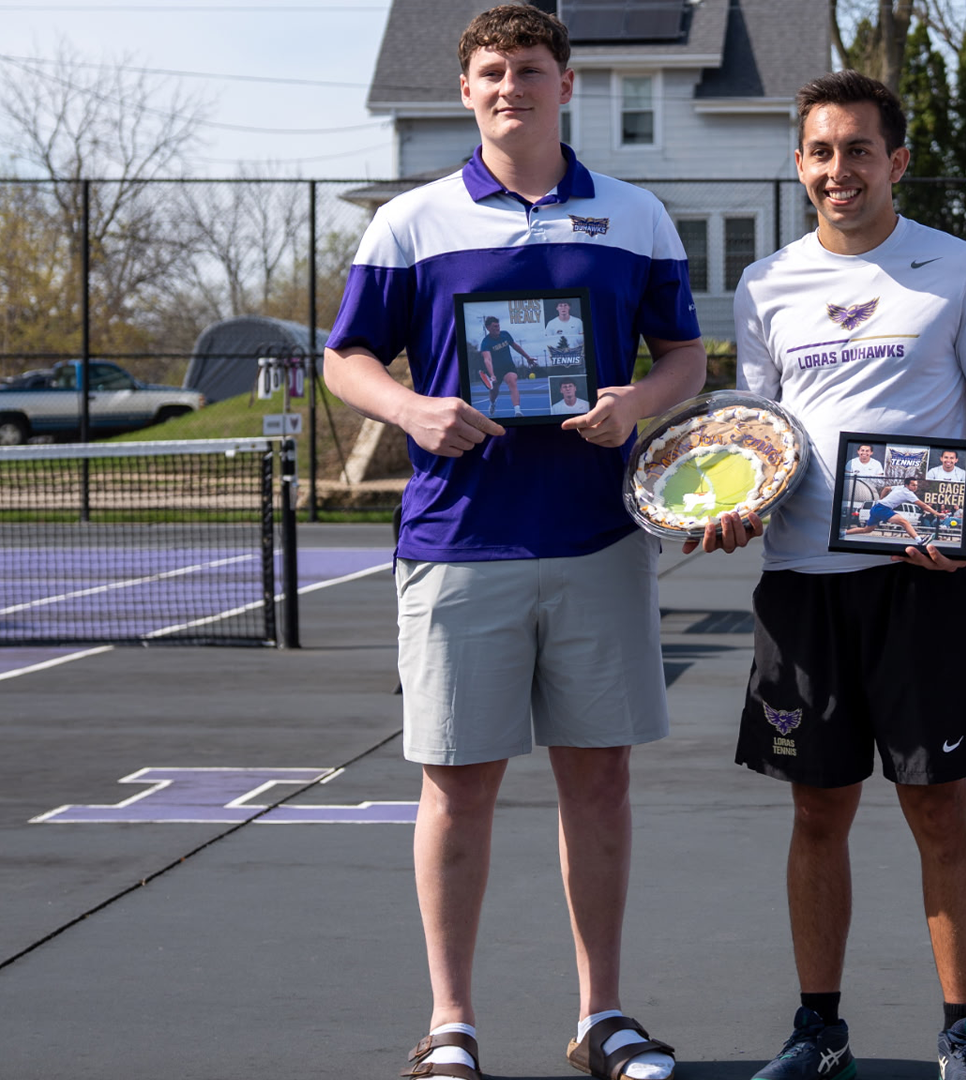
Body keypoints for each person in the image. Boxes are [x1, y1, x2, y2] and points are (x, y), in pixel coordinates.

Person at [319, 8, 707, 1080]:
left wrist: (639, 401)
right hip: (458, 542)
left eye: (529, 70)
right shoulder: (410, 221)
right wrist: (411, 411)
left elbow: (686, 355)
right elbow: (344, 356)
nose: (510, 88)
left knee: (600, 783)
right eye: (490, 72)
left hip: (597, 537)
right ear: (464, 91)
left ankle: (605, 1018)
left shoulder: (635, 216)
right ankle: (451, 1023)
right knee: (458, 787)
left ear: (567, 84)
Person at [686, 70, 966, 1080]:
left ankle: (963, 1033)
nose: (841, 169)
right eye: (822, 152)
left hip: (918, 583)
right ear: (801, 166)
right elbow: (753, 436)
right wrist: (733, 506)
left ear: (897, 161)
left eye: (860, 150)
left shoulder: (959, 269)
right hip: (800, 587)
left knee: (938, 809)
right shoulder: (764, 284)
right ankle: (818, 1028)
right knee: (817, 810)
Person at [478, 314, 538, 415]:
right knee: (494, 392)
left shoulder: (505, 335)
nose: (497, 328)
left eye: (498, 326)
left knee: (512, 382)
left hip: (508, 367)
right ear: (488, 328)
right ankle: (492, 403)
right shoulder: (485, 342)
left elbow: (516, 346)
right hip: (495, 370)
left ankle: (517, 411)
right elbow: (487, 359)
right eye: (494, 326)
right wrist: (492, 375)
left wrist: (527, 357)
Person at [844, 478, 935, 540]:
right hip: (883, 509)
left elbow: (886, 488)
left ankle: (843, 533)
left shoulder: (899, 487)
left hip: (876, 507)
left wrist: (881, 499)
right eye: (913, 485)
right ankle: (919, 540)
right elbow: (923, 505)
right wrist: (937, 513)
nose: (915, 487)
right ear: (907, 485)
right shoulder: (908, 493)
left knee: (867, 530)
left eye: (916, 485)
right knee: (905, 522)